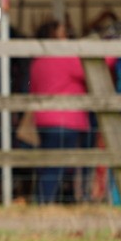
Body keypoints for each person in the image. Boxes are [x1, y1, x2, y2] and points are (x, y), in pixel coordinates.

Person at [28, 18, 91, 204]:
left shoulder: (37, 62)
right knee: (58, 166)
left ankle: (45, 202)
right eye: (64, 34)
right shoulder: (66, 58)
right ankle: (45, 203)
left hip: (43, 120)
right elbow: (92, 68)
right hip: (66, 121)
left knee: (50, 164)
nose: (68, 38)